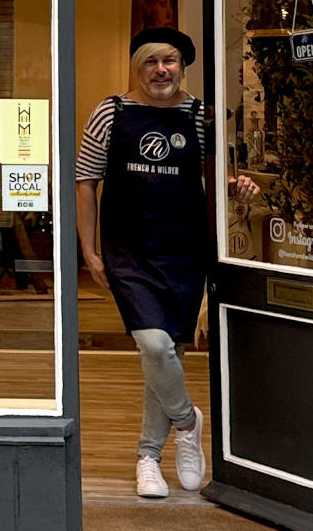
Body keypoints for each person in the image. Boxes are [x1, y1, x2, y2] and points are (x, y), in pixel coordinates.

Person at [76, 28, 259, 500]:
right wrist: (89, 250)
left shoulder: (200, 116)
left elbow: (216, 180)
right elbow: (85, 181)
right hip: (128, 251)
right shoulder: (110, 113)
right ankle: (187, 422)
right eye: (151, 61)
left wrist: (238, 187)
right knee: (154, 345)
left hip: (184, 251)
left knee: (166, 355)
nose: (162, 70)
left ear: (182, 67)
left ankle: (148, 458)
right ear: (137, 66)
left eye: (170, 61)